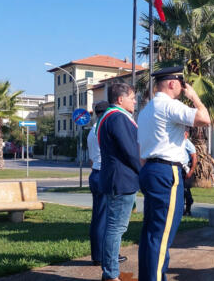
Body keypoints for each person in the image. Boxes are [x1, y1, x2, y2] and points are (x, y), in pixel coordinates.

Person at [137, 66, 210, 281]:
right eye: (181, 84)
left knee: (151, 232)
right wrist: (195, 97)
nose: (183, 88)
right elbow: (204, 118)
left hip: (150, 169)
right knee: (162, 234)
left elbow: (141, 150)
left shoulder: (146, 110)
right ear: (171, 84)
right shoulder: (169, 105)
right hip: (167, 171)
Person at [98, 83, 141, 281]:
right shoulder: (117, 117)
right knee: (116, 228)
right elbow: (131, 151)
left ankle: (110, 271)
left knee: (113, 227)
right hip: (121, 179)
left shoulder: (108, 117)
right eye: (132, 97)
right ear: (120, 99)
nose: (135, 101)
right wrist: (144, 171)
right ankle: (111, 273)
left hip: (115, 178)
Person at [87, 100, 128, 267]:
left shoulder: (92, 131)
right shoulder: (105, 128)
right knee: (109, 219)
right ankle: (106, 255)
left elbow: (91, 159)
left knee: (98, 217)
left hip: (95, 173)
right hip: (105, 174)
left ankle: (97, 254)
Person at [182, 128, 198, 216]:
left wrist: (191, 171)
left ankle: (188, 209)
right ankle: (181, 209)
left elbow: (194, 158)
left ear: (187, 134)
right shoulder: (178, 142)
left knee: (186, 190)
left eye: (183, 133)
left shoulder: (188, 143)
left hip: (186, 169)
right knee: (181, 191)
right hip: (179, 168)